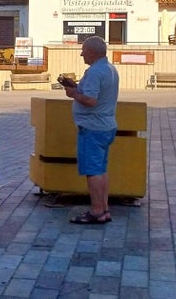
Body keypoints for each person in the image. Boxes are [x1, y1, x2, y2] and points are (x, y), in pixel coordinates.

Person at [64, 36, 119, 224]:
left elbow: (91, 100)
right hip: (107, 125)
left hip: (92, 127)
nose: (81, 54)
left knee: (93, 171)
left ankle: (96, 211)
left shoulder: (95, 72)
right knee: (101, 169)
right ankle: (104, 208)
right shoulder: (110, 69)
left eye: (84, 50)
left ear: (92, 52)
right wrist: (77, 87)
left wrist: (73, 93)